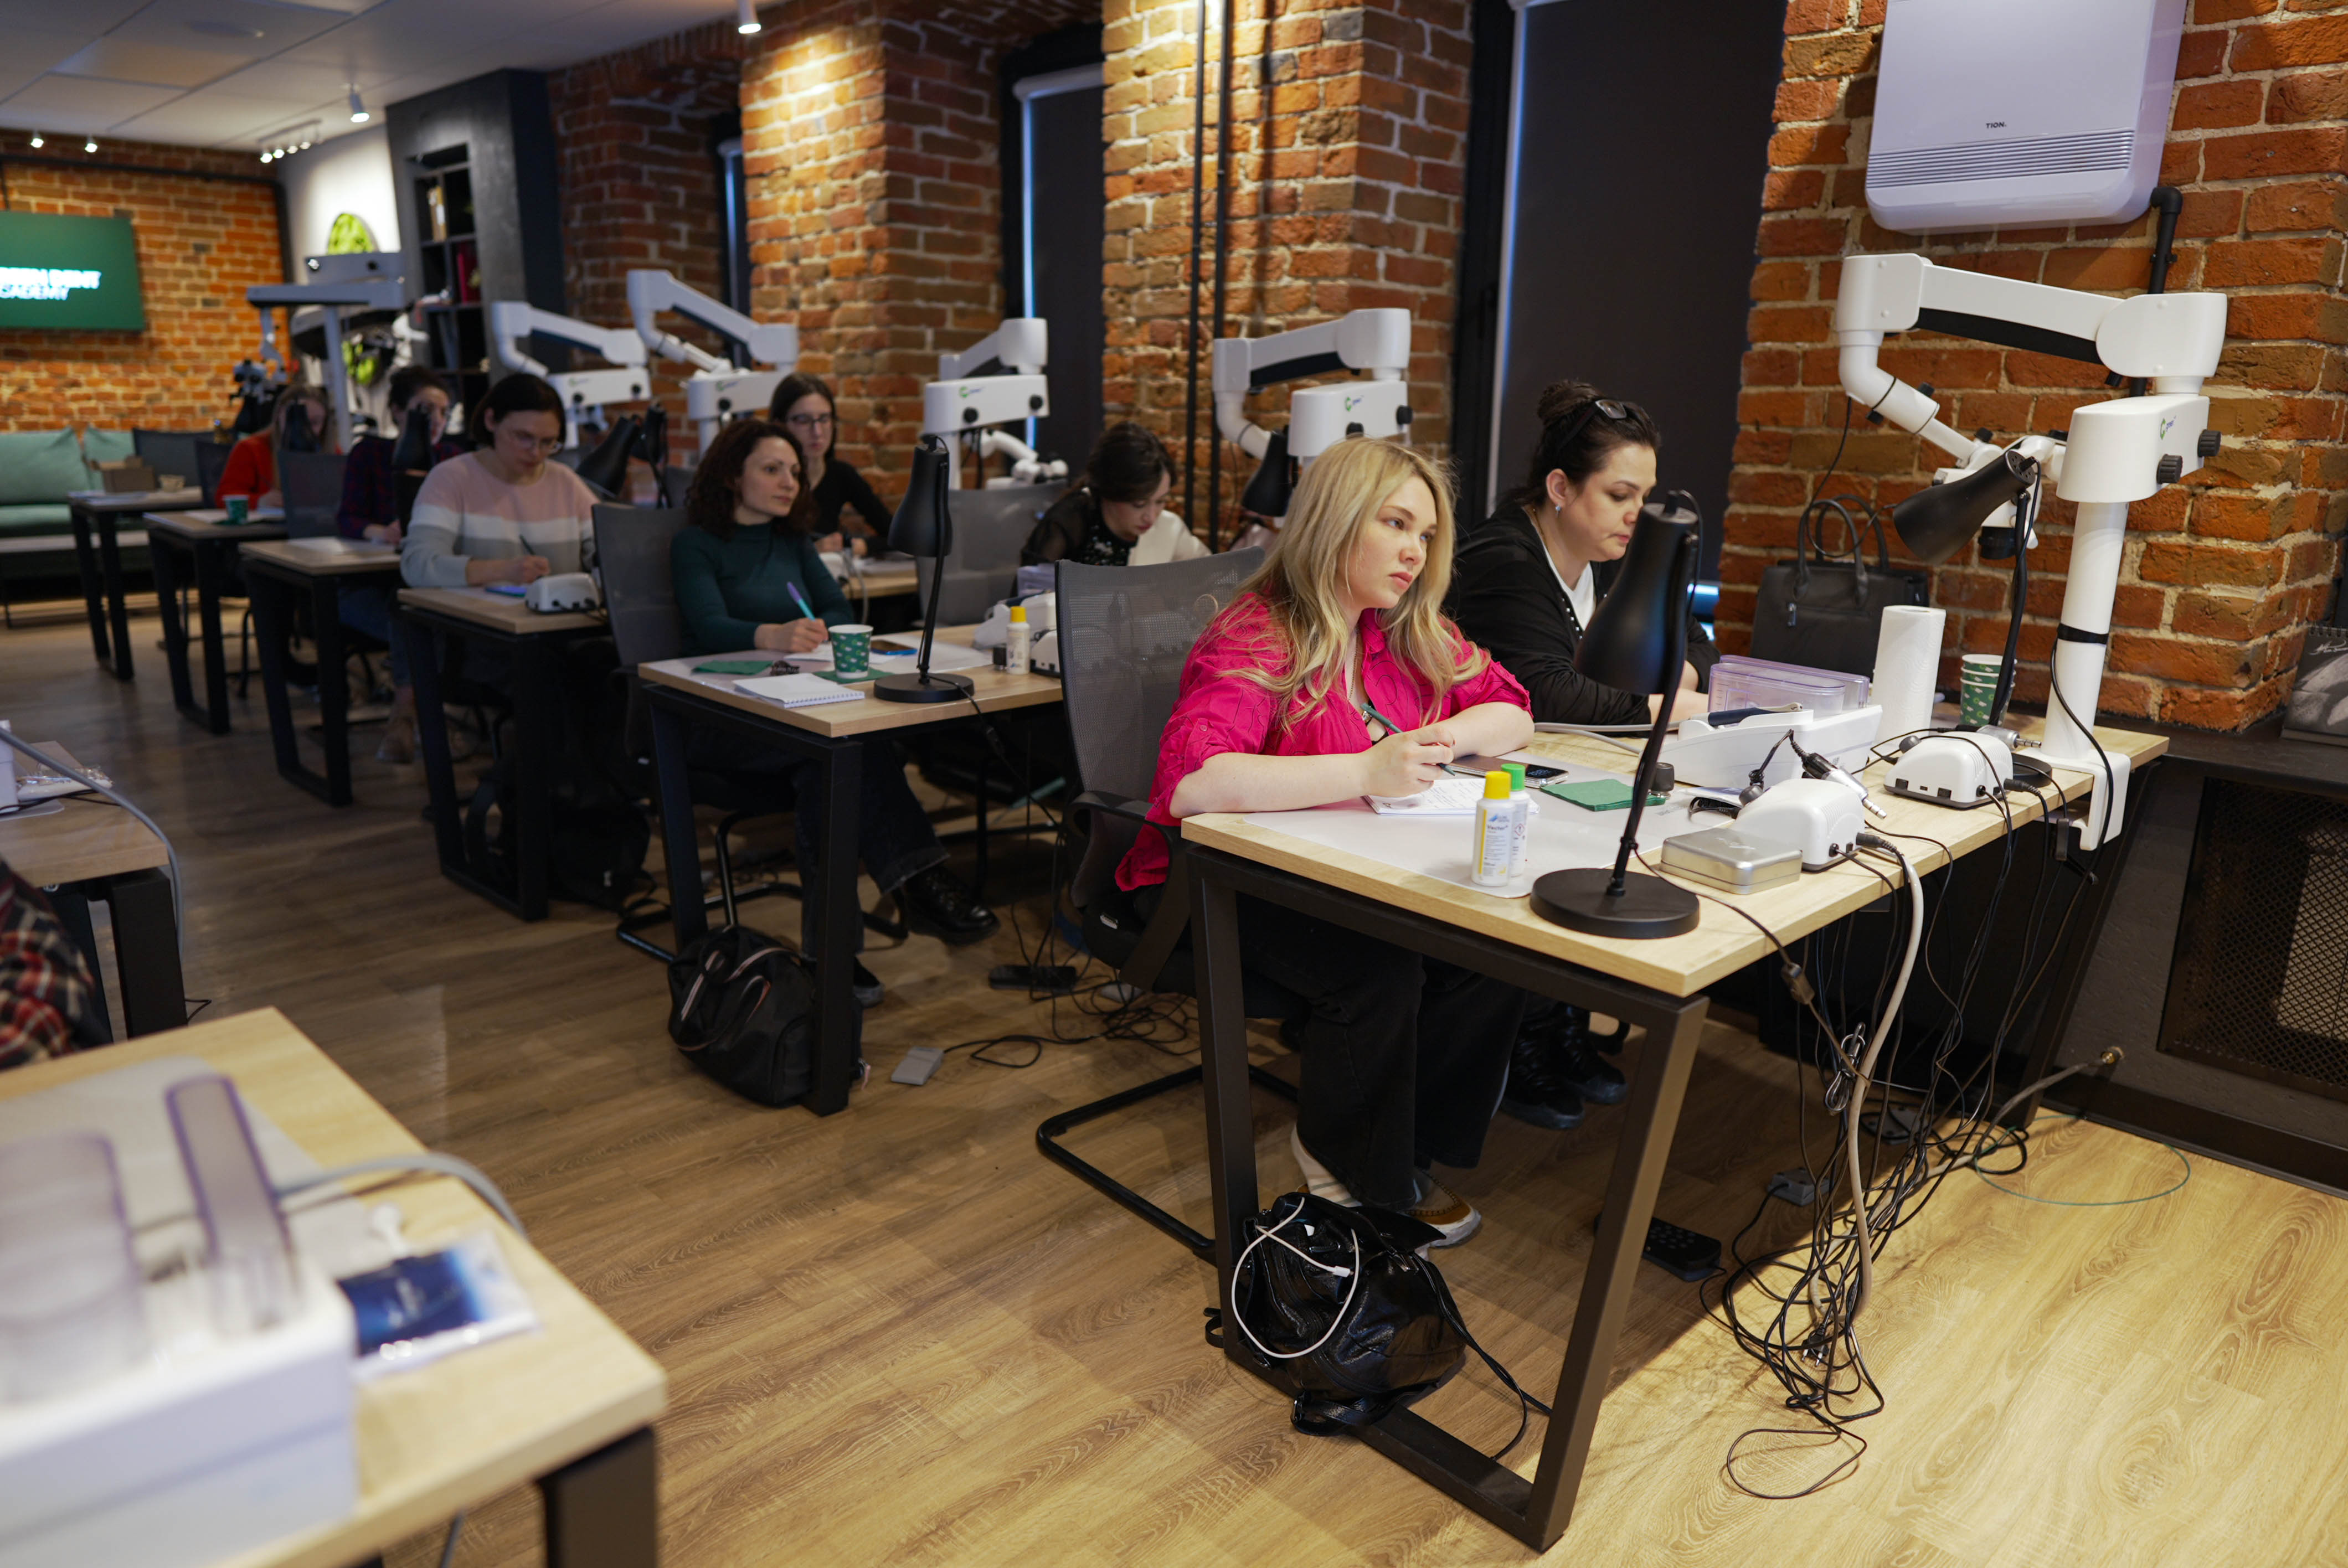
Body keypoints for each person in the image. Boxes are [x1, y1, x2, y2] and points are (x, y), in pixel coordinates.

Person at [1118, 437, 1532, 1246]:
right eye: (1395, 524)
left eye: (1426, 534)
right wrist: (1368, 769)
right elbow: (1196, 783)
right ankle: (1351, 1163)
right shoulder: (1257, 634)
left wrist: (1440, 739)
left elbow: (1513, 708)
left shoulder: (1400, 632)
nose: (1415, 551)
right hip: (1216, 883)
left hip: (1343, 871)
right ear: (1337, 522)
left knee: (1491, 948)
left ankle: (1406, 1147)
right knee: (1378, 966)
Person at [1445, 380, 1714, 1133]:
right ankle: (1522, 1039)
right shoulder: (1504, 557)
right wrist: (1669, 702)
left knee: (1612, 847)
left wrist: (1667, 680)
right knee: (1556, 857)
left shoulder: (1608, 553)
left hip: (1568, 763)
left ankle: (1558, 1023)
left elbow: (1696, 645)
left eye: (1646, 497)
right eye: (1620, 495)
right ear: (1561, 488)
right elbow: (1550, 692)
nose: (1638, 515)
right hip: (1474, 772)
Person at [671, 418, 1002, 1002]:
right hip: (720, 718)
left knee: (833, 764)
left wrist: (821, 629)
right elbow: (706, 626)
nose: (790, 483)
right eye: (772, 469)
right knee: (839, 757)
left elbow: (836, 610)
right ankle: (917, 880)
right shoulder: (695, 543)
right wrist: (771, 634)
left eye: (794, 472)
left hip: (794, 706)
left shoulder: (792, 542)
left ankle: (832, 958)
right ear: (731, 476)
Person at [337, 366, 467, 763]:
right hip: (368, 587)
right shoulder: (370, 454)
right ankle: (417, 716)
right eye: (425, 410)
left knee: (417, 607)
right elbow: (347, 518)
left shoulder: (452, 460)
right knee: (407, 609)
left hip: (429, 585)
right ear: (397, 411)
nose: (437, 420)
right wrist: (381, 531)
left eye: (444, 412)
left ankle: (406, 715)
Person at [401, 373, 597, 591]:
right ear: (491, 420)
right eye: (523, 437)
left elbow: (607, 553)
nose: (535, 452)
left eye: (548, 442)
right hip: (478, 612)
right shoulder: (450, 479)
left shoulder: (566, 483)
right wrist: (501, 571)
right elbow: (417, 565)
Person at [1021, 421, 1208, 567]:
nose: (1151, 517)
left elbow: (1214, 579)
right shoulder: (1068, 525)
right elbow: (1029, 598)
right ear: (1110, 491)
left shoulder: (1168, 529)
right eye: (1139, 504)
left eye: (1161, 501)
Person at [768, 373, 891, 556]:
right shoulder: (765, 479)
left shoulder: (840, 474)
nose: (817, 432)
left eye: (824, 419)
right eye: (803, 420)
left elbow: (899, 535)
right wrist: (812, 552)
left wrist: (860, 546)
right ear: (779, 425)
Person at [219, 384, 329, 507]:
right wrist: (259, 501)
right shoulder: (250, 449)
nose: (304, 429)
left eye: (314, 423)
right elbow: (225, 497)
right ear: (279, 416)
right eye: (295, 420)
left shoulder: (329, 450)